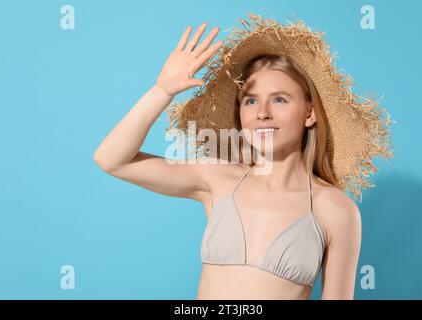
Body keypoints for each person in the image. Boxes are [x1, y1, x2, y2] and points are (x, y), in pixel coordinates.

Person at [93, 13, 394, 300]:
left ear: (309, 113)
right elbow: (112, 159)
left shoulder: (335, 209)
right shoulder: (218, 179)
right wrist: (162, 90)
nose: (262, 113)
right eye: (251, 101)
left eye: (279, 99)